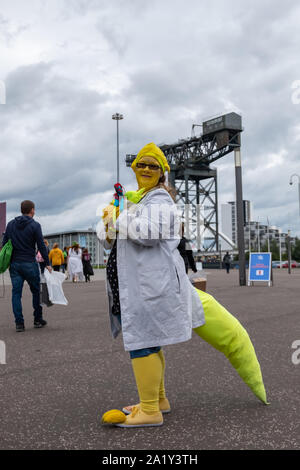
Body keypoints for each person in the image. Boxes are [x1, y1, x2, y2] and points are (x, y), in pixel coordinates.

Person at [99, 143, 205, 428]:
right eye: (141, 165)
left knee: (143, 343)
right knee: (150, 341)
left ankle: (149, 410)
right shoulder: (140, 201)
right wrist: (108, 225)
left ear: (162, 173)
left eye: (152, 166)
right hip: (136, 287)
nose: (145, 169)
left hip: (147, 288)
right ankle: (158, 400)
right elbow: (112, 237)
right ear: (134, 170)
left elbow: (148, 233)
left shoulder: (160, 202)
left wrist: (118, 220)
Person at [2, 200, 52, 332]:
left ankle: (19, 323)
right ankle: (37, 319)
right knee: (36, 292)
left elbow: (4, 244)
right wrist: (47, 263)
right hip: (29, 263)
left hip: (15, 264)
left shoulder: (10, 225)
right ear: (32, 210)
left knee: (16, 294)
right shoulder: (35, 225)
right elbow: (41, 245)